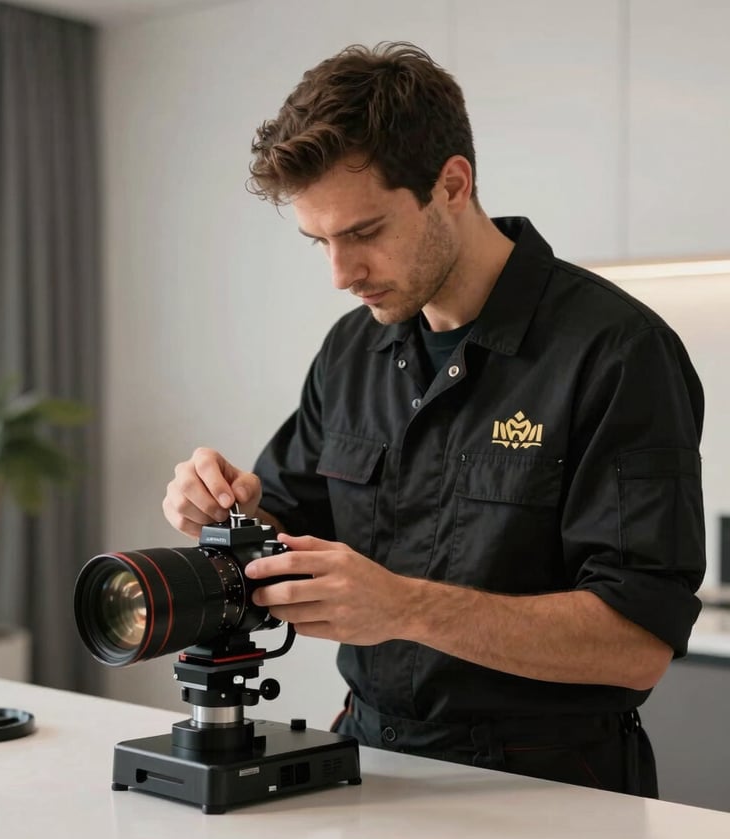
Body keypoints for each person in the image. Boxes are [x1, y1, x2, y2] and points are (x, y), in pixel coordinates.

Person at [162, 42, 705, 797]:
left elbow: (637, 644)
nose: (340, 275)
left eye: (364, 232)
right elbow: (280, 527)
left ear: (453, 184)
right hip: (369, 759)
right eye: (319, 241)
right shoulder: (352, 348)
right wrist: (228, 511)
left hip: (553, 786)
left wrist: (405, 607)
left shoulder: (616, 352)